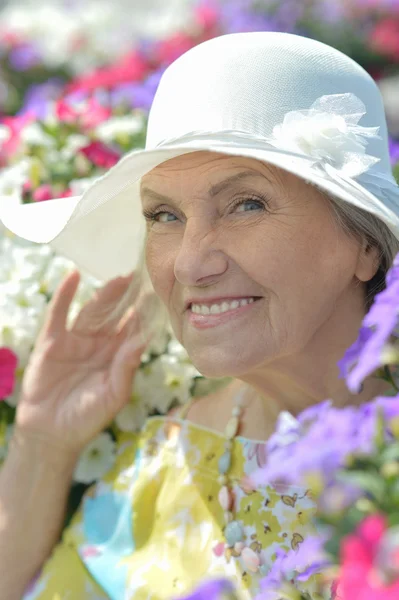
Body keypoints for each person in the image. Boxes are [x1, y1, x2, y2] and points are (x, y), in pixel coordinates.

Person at [1, 31, 399, 600]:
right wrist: (43, 446)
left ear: (364, 244)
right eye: (163, 215)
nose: (190, 262)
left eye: (247, 204)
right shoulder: (164, 465)